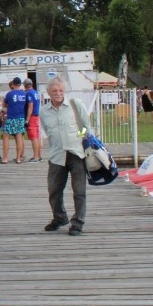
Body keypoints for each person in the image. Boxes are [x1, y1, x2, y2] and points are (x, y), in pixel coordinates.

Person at [40, 77, 90, 236]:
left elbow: (85, 127)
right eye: (54, 91)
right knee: (54, 190)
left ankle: (78, 223)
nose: (58, 93)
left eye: (61, 90)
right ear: (48, 93)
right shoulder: (43, 111)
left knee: (79, 191)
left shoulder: (75, 105)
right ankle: (60, 217)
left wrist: (78, 137)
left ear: (65, 91)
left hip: (76, 154)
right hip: (57, 156)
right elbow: (47, 131)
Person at [1, 77, 27, 164]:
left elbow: (4, 104)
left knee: (6, 137)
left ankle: (5, 158)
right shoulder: (24, 94)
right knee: (19, 137)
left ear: (13, 84)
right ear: (20, 84)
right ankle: (18, 158)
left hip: (11, 117)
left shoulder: (9, 94)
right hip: (20, 117)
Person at [23, 78, 43, 162]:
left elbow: (30, 106)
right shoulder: (36, 93)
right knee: (37, 136)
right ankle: (39, 155)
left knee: (33, 137)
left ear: (25, 86)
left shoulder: (28, 93)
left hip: (31, 117)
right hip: (36, 116)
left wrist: (27, 119)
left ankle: (35, 157)